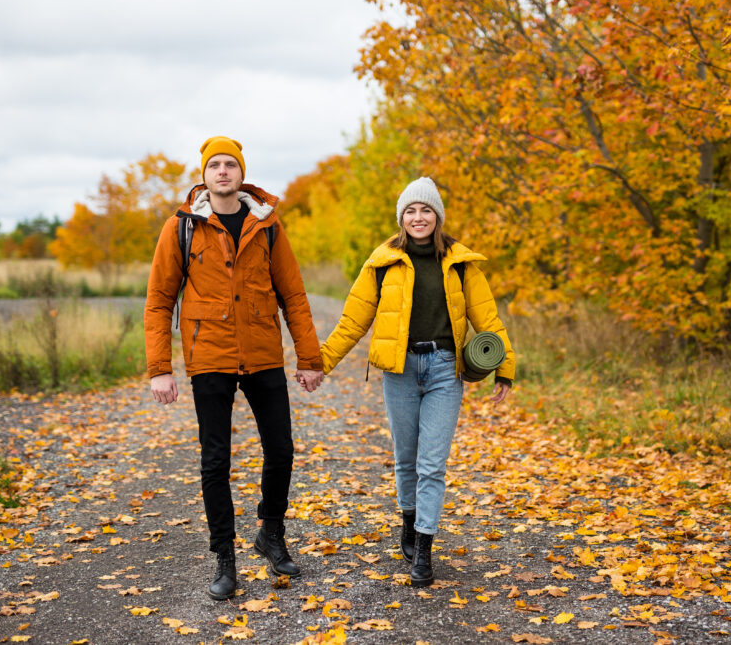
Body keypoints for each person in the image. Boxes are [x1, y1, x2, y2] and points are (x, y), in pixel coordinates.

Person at [144, 136, 325, 601]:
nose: (223, 171)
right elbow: (160, 300)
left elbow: (294, 295)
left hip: (263, 353)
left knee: (281, 449)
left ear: (241, 174)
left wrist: (309, 358)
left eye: (231, 165)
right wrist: (159, 368)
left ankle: (271, 531)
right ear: (204, 175)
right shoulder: (181, 228)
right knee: (215, 461)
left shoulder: (267, 225)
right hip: (211, 359)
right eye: (215, 165)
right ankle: (225, 557)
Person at [319, 176, 515, 587]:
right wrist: (321, 362)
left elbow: (488, 318)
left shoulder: (461, 263)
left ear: (438, 216)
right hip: (400, 370)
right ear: (401, 217)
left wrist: (506, 367)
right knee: (407, 459)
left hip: (445, 369)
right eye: (411, 210)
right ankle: (408, 524)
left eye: (426, 210)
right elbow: (354, 320)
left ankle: (424, 548)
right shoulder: (382, 263)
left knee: (432, 463)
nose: (418, 217)